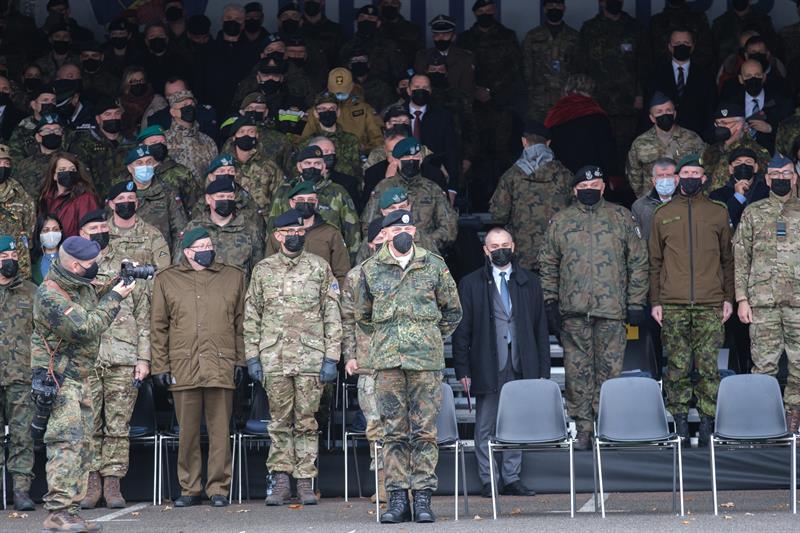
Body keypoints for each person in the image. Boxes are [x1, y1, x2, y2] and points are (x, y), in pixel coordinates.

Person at [355, 209, 462, 524]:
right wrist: (389, 340)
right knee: (393, 432)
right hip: (388, 362)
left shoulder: (434, 266)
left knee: (425, 432)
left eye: (408, 229)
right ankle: (398, 499)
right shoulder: (370, 270)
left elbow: (453, 311)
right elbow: (363, 315)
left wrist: (428, 338)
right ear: (385, 234)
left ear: (414, 232)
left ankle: (423, 498)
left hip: (425, 363)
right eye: (395, 229)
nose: (403, 233)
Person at [538, 165, 648, 451]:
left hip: (612, 310)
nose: (590, 190)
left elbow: (638, 262)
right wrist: (550, 302)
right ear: (574, 190)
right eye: (584, 187)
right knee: (577, 374)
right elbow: (548, 264)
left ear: (604, 188)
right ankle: (584, 429)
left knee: (610, 373)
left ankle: (607, 426)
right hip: (573, 312)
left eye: (595, 186)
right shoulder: (561, 221)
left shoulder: (621, 217)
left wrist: (636, 302)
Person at [32, 235, 134, 531]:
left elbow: (94, 292)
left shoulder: (77, 284)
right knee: (66, 443)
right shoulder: (50, 296)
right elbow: (86, 327)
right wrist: (116, 298)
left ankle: (72, 510)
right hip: (59, 379)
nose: (95, 267)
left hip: (79, 377)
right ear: (76, 266)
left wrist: (120, 279)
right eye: (91, 263)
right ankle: (58, 511)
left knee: (83, 445)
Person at [244, 209, 342, 506]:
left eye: (300, 231)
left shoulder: (319, 267)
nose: (296, 236)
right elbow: (252, 316)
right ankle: (281, 481)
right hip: (274, 358)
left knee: (306, 421)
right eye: (290, 232)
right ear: (278, 236)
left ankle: (304, 481)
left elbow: (332, 314)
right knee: (279, 421)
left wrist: (332, 357)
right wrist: (252, 357)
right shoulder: (263, 270)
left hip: (310, 358)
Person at [75, 203, 162, 510]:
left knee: (117, 425)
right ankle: (91, 482)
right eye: (93, 229)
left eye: (103, 228)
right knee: (87, 424)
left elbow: (143, 316)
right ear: (81, 234)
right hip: (86, 358)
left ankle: (113, 483)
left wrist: (143, 359)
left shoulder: (128, 266)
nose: (100, 232)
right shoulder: (74, 268)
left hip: (123, 356)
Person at [151, 227, 245, 508]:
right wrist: (160, 366)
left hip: (221, 362)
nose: (207, 250)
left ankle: (218, 488)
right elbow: (158, 327)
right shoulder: (167, 279)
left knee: (220, 432)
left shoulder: (233, 277)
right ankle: (189, 488)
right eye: (200, 247)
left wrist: (241, 360)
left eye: (209, 245)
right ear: (187, 252)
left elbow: (242, 324)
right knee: (187, 433)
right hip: (183, 365)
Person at [452, 228, 549, 498]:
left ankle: (511, 477)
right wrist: (462, 370)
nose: (500, 250)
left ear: (513, 246)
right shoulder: (471, 283)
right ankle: (489, 480)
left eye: (505, 245)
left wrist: (543, 369)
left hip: (521, 362)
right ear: (485, 250)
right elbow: (462, 331)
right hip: (487, 363)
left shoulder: (529, 282)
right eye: (494, 246)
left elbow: (540, 327)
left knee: (516, 423)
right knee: (485, 425)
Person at [650, 154, 734, 447]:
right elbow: (654, 262)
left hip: (710, 303)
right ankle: (681, 424)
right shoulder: (662, 214)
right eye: (684, 173)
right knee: (677, 366)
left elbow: (728, 260)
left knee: (709, 367)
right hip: (673, 303)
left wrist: (728, 298)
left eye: (695, 173)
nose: (689, 178)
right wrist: (655, 301)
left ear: (704, 178)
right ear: (677, 178)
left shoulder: (717, 212)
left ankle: (708, 423)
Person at [733, 154, 800, 432]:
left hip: (798, 303)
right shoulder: (753, 212)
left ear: (795, 178)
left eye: (787, 174)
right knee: (763, 364)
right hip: (762, 303)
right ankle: (765, 420)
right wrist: (741, 299)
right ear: (767, 179)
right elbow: (741, 258)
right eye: (776, 175)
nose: (781, 178)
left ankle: (794, 416)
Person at [489, 120, 572, 273]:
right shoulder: (565, 175)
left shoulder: (511, 176)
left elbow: (498, 215)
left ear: (524, 142)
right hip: (557, 254)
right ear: (548, 143)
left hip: (522, 256)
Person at [342, 218, 385, 503]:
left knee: (405, 427)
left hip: (405, 363)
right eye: (380, 238)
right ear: (371, 244)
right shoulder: (357, 277)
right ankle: (384, 483)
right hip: (369, 364)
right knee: (375, 426)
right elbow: (347, 319)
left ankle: (406, 483)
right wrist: (350, 355)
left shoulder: (416, 270)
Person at [456, 0, 523, 180]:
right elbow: (459, 71)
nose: (485, 14)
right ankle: (476, 194)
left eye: (489, 10)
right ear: (475, 13)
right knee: (474, 151)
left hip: (501, 104)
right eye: (481, 11)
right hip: (473, 106)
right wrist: (475, 90)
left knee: (502, 151)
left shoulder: (507, 36)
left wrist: (491, 91)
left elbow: (515, 69)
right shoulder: (465, 39)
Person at [577, 0, 647, 166]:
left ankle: (626, 183)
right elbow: (581, 66)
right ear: (601, 2)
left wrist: (640, 94)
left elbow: (644, 64)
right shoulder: (590, 28)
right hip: (598, 102)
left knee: (627, 150)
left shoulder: (634, 27)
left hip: (627, 102)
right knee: (598, 147)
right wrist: (584, 98)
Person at [362, 137, 458, 254]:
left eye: (416, 157)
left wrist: (424, 242)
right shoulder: (383, 188)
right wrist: (391, 244)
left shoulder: (432, 189)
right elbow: (368, 225)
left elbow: (449, 228)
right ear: (396, 160)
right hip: (389, 254)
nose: (412, 160)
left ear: (421, 159)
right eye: (407, 157)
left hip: (426, 254)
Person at [269, 144, 361, 260]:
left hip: (326, 256)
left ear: (323, 167)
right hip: (288, 259)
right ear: (299, 166)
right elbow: (272, 226)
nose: (312, 167)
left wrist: (352, 260)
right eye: (308, 163)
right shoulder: (284, 192)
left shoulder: (337, 192)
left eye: (317, 163)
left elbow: (352, 230)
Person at [0, 235, 37, 510]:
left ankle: (21, 491)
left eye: (13, 256)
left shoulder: (31, 292)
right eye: (3, 257)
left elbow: (44, 334)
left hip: (22, 376)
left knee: (22, 436)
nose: (9, 261)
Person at [178, 174, 264, 281]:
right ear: (208, 199)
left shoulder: (249, 229)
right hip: (200, 288)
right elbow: (180, 265)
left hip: (238, 289)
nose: (226, 200)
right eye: (221, 197)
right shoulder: (193, 228)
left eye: (230, 197)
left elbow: (259, 269)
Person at [265, 183, 350, 286]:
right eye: (300, 199)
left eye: (310, 200)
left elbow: (342, 273)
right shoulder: (279, 234)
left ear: (316, 202)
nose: (306, 203)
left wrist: (337, 294)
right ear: (291, 203)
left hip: (321, 293)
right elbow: (267, 271)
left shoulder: (331, 233)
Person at [625, 92, 705, 198]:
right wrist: (644, 198)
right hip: (652, 200)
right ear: (652, 118)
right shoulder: (640, 143)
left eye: (668, 110)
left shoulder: (692, 139)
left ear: (674, 114)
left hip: (684, 199)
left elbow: (705, 167)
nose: (665, 114)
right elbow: (634, 175)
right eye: (659, 112)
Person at [644, 28, 716, 138]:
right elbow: (648, 109)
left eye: (686, 43)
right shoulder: (655, 74)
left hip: (697, 137)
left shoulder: (705, 75)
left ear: (692, 47)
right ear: (670, 47)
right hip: (663, 137)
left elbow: (711, 110)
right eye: (677, 43)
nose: (682, 46)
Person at [545, 74, 616, 176]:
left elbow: (547, 148)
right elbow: (607, 153)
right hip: (591, 176)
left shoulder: (556, 114)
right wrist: (612, 177)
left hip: (562, 176)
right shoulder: (598, 116)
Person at [521, 0, 579, 122]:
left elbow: (580, 67)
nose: (554, 8)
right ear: (544, 9)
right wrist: (530, 91)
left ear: (564, 8)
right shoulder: (533, 36)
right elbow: (526, 66)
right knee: (538, 131)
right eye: (551, 5)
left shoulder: (574, 36)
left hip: (565, 97)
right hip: (539, 99)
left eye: (558, 5)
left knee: (565, 130)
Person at [68, 96, 135, 200]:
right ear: (98, 119)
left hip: (127, 200)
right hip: (96, 202)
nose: (113, 117)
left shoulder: (132, 142)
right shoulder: (85, 145)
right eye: (107, 114)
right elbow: (82, 179)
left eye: (117, 113)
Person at [302, 68, 383, 153]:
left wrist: (364, 149)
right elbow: (301, 140)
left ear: (352, 86)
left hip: (359, 155)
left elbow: (378, 139)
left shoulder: (364, 109)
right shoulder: (315, 111)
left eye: (343, 91)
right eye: (336, 91)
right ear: (329, 88)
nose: (340, 94)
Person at [702, 102, 770, 191]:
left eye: (726, 123)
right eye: (718, 123)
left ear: (740, 124)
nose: (721, 127)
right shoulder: (711, 150)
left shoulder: (756, 151)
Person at [38, 151, 100, 238]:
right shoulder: (46, 198)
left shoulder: (85, 199)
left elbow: (89, 233)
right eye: (62, 170)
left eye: (72, 170)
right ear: (54, 175)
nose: (68, 172)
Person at [163, 89, 218, 182]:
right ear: (173, 112)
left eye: (192, 104)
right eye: (184, 105)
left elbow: (216, 171)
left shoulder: (207, 141)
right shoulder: (164, 140)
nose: (190, 107)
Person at [709, 147, 769, 230]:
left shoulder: (767, 192)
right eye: (738, 162)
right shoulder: (718, 195)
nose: (743, 165)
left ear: (755, 167)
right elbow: (722, 221)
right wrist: (738, 197)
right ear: (731, 169)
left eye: (748, 162)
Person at [0, 144, 35, 280]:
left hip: (17, 261)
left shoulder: (20, 194)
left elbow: (29, 227)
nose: (3, 167)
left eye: (6, 163)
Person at [13, 113, 67, 197]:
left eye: (57, 131)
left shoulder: (70, 163)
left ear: (62, 136)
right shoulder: (24, 164)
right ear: (38, 137)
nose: (52, 133)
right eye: (47, 131)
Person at [631, 158, 677, 243]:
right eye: (660, 176)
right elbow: (637, 241)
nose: (665, 179)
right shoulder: (639, 206)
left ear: (677, 179)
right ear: (654, 180)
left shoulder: (686, 203)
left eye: (669, 175)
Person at [32, 213, 64, 285]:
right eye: (46, 230)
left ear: (61, 231)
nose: (51, 234)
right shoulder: (33, 261)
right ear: (38, 233)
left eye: (55, 229)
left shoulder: (70, 256)